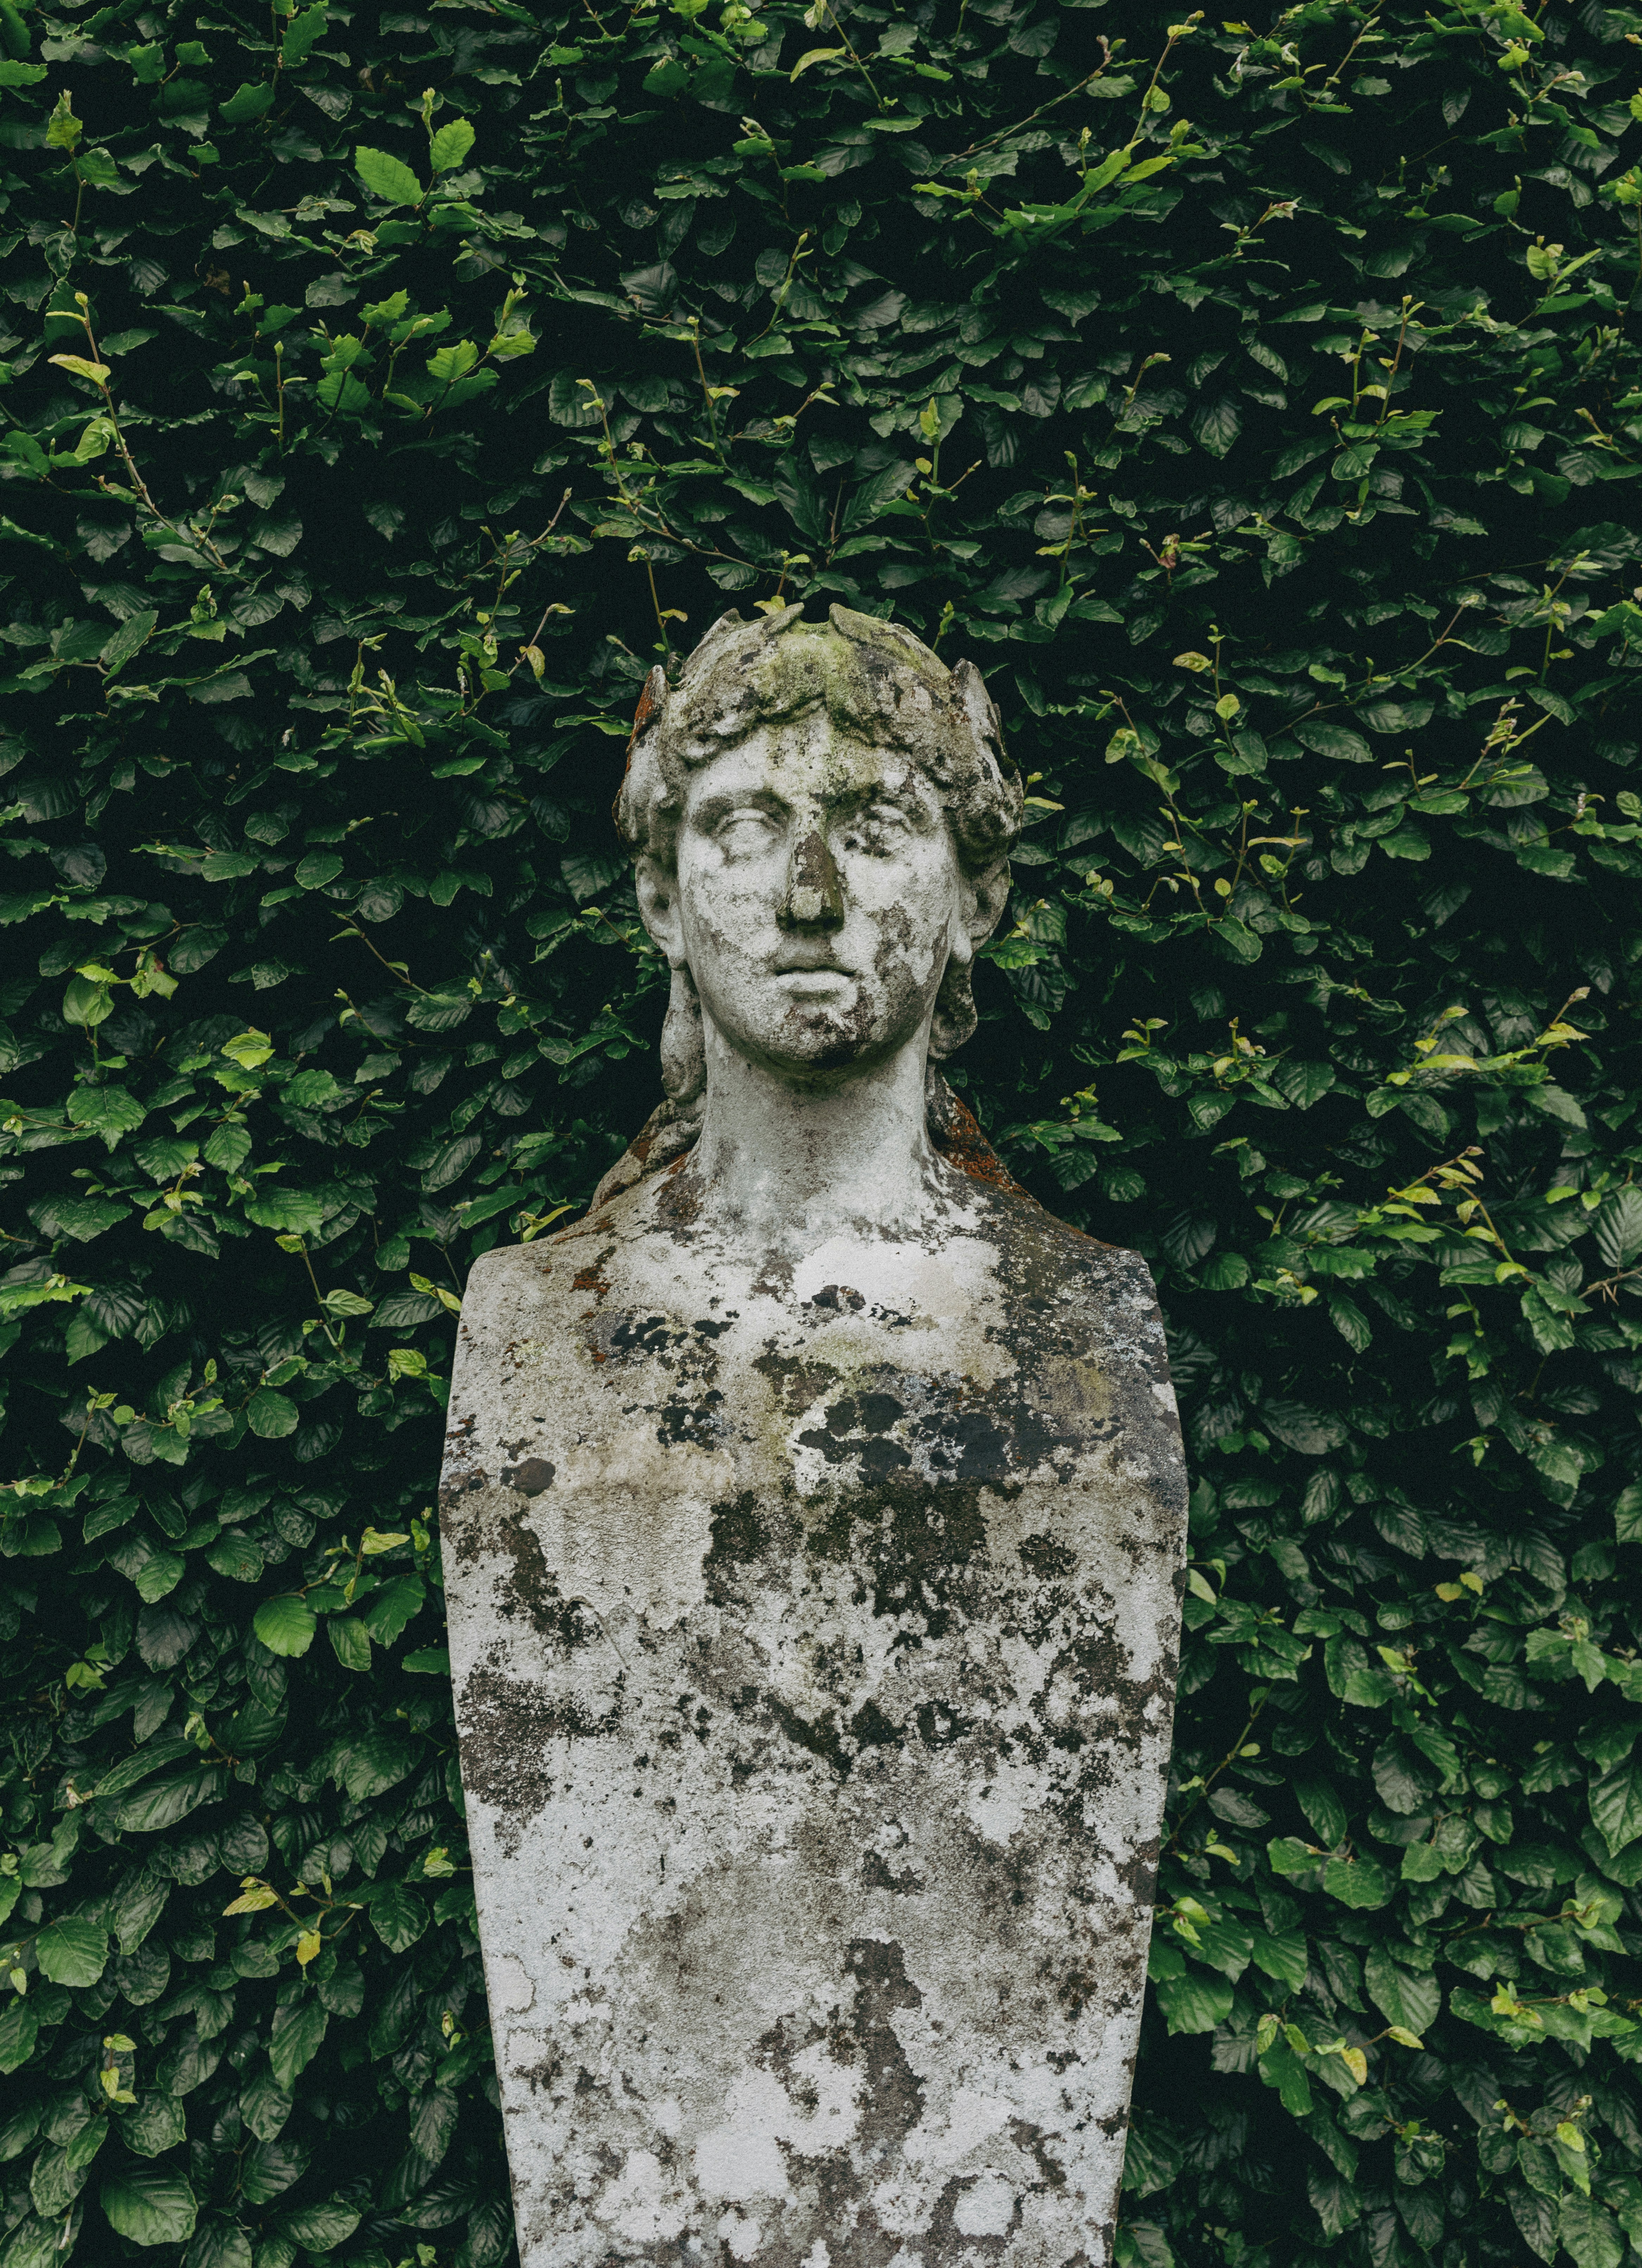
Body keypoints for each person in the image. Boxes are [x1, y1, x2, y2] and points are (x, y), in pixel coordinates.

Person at [443, 602, 1184, 2268]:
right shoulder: (532, 1324)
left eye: (875, 825)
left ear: (978, 894)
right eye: (744, 825)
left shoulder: (1083, 1328)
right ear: (660, 894)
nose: (808, 895)